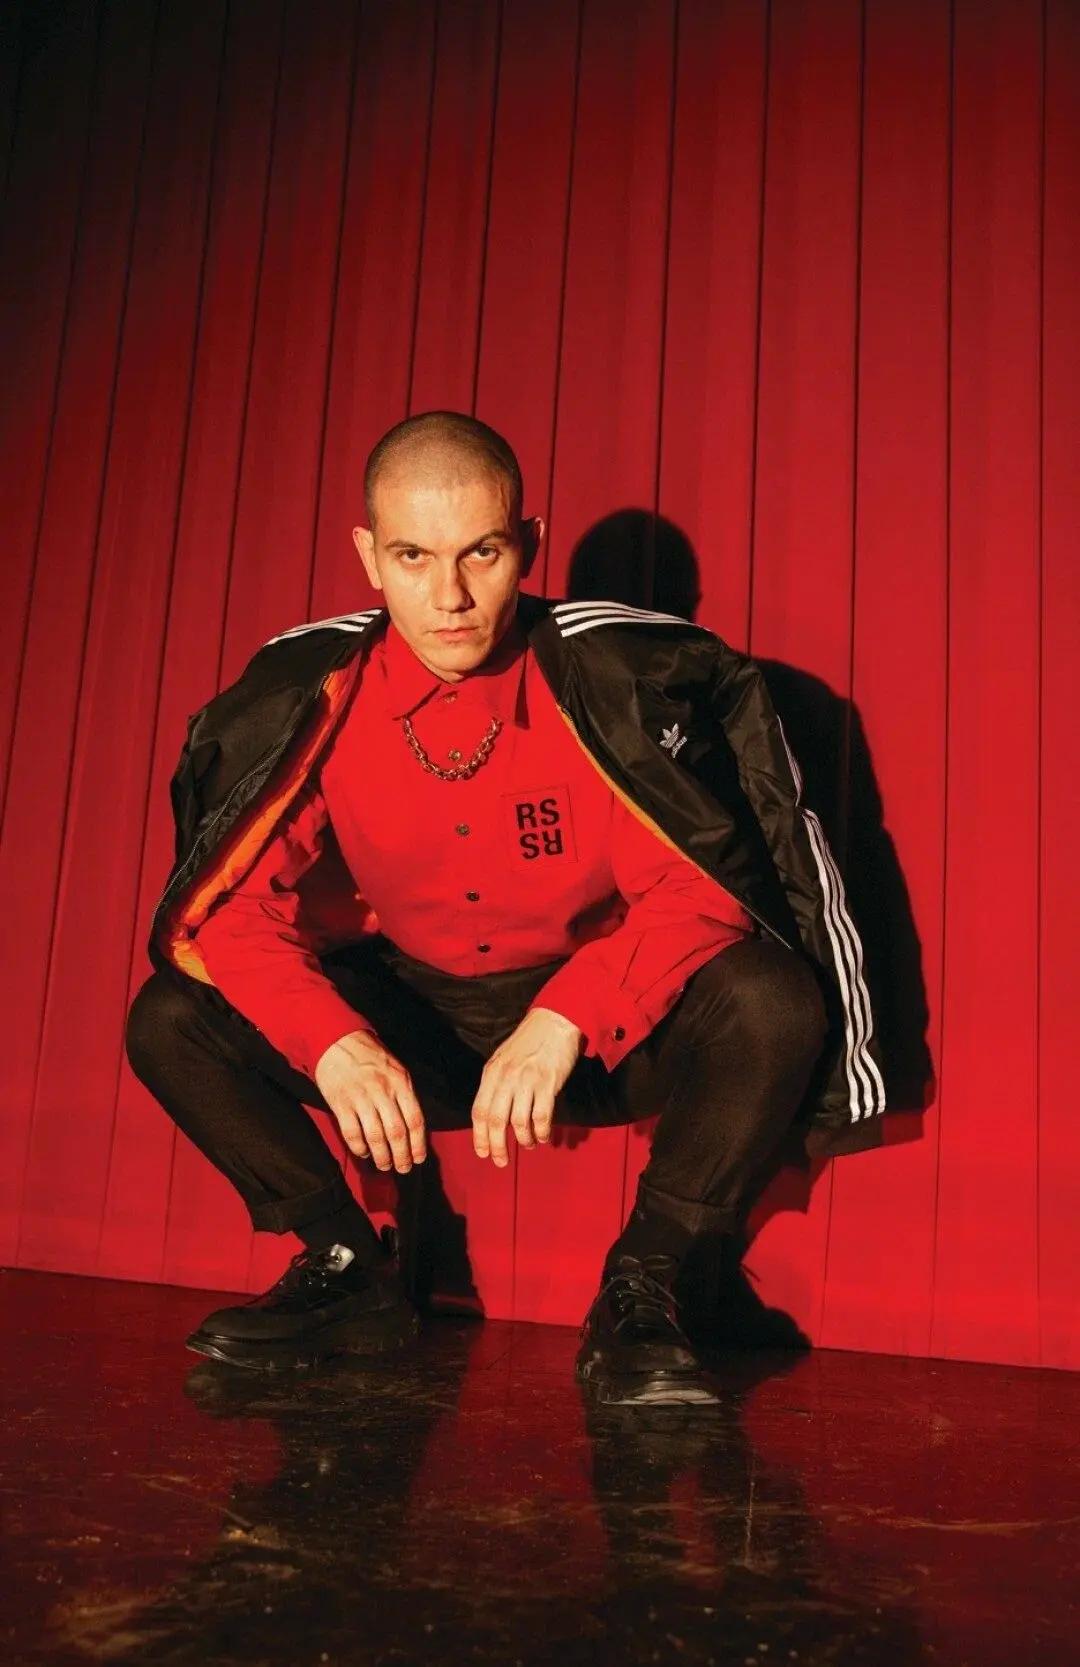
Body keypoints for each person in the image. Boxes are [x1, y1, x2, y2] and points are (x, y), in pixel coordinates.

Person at [125, 410, 884, 1406]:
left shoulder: (605, 681)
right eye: (413, 556)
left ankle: (648, 1285)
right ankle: (347, 1268)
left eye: (480, 552)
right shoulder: (321, 693)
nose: (449, 596)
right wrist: (333, 1043)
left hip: (590, 1037)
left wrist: (570, 1013)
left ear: (526, 544)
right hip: (416, 1030)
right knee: (170, 1017)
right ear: (369, 557)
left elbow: (705, 886)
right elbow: (233, 908)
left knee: (772, 998)